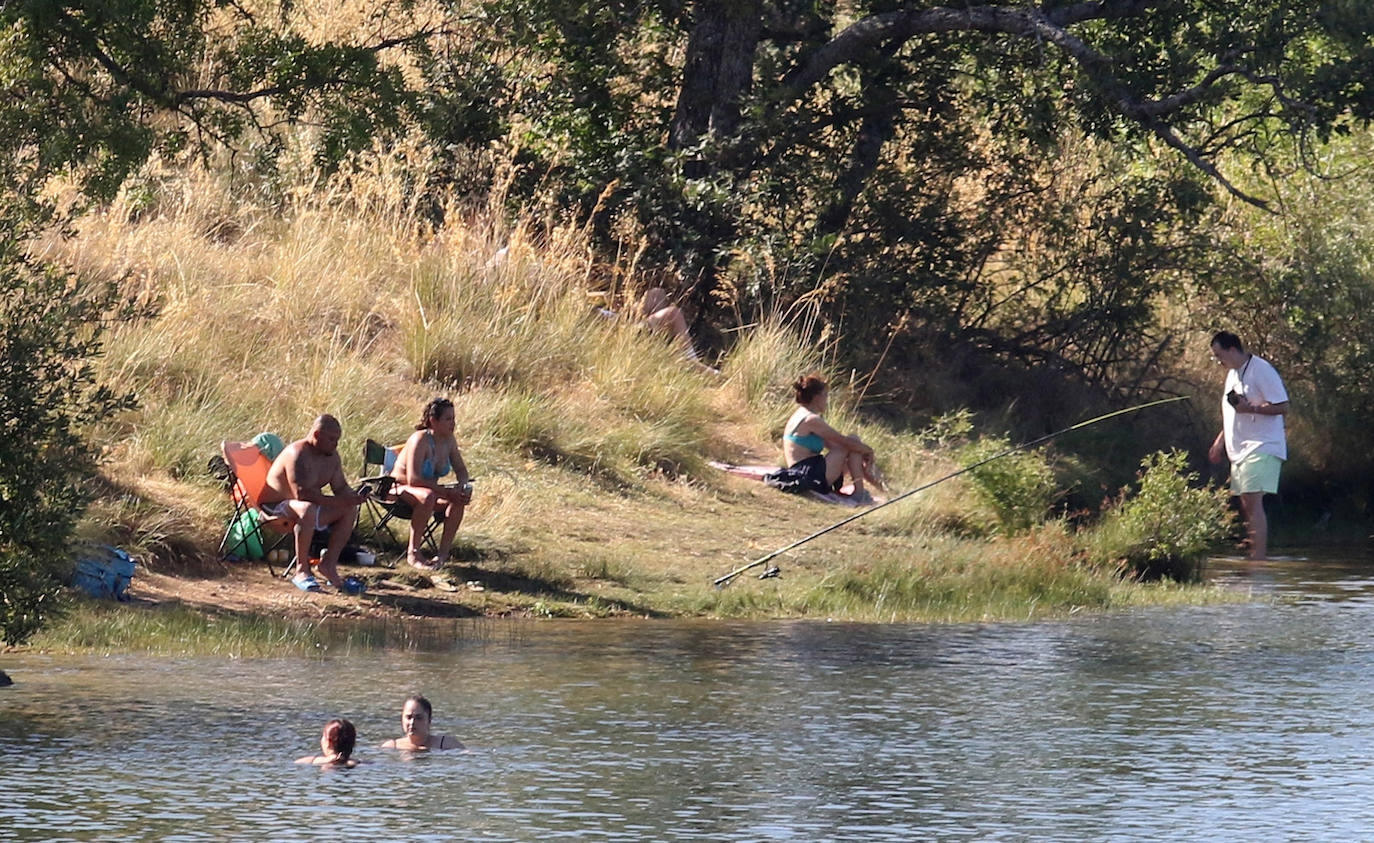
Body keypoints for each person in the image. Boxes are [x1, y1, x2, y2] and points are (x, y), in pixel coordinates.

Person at [261, 414, 370, 590]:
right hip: (275, 507)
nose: (335, 444)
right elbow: (301, 493)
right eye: (332, 439)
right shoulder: (297, 453)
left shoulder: (332, 457)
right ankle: (302, 570)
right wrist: (338, 501)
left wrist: (354, 497)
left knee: (349, 509)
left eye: (337, 440)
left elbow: (340, 487)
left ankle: (328, 565)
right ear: (317, 435)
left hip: (305, 507)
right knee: (308, 509)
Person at [1208, 331, 1289, 560]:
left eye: (1219, 355)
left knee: (1253, 500)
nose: (1218, 360)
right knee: (1245, 503)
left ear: (1232, 350)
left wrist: (1252, 409)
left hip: (1262, 445)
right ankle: (1255, 554)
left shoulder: (1261, 369)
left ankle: (1258, 560)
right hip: (1239, 451)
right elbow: (1233, 414)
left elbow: (1283, 406)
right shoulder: (1232, 375)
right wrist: (1219, 443)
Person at [390, 398, 472, 571]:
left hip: (428, 493)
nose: (453, 424)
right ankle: (413, 553)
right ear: (433, 421)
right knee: (428, 496)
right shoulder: (419, 440)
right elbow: (414, 479)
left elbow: (461, 470)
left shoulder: (449, 441)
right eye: (448, 419)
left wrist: (462, 487)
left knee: (458, 501)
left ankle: (441, 555)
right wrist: (446, 491)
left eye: (454, 418)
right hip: (398, 489)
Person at [779, 374, 881, 505]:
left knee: (853, 444)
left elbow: (836, 446)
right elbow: (843, 442)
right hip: (806, 475)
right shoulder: (811, 420)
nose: (827, 400)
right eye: (826, 395)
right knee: (851, 442)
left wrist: (864, 459)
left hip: (812, 470)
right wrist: (869, 450)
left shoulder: (804, 415)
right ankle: (860, 494)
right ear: (816, 397)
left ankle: (866, 490)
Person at [380, 695, 464, 751]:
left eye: (418, 718)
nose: (412, 722)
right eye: (408, 717)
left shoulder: (447, 744)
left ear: (429, 720)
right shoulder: (392, 746)